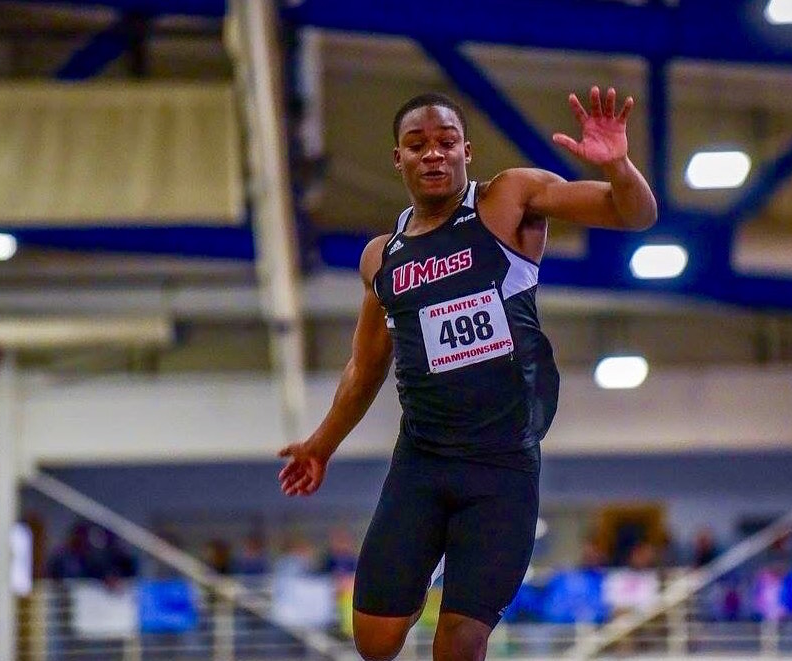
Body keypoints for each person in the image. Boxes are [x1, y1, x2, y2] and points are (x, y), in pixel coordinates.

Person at [277, 85, 656, 661]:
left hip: (502, 467)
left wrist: (619, 167)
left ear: (466, 152)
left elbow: (634, 213)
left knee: (460, 641)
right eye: (417, 144)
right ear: (398, 159)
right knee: (374, 641)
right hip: (423, 462)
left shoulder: (509, 200)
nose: (433, 153)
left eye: (446, 142)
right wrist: (320, 445)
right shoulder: (383, 256)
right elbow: (366, 365)